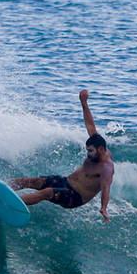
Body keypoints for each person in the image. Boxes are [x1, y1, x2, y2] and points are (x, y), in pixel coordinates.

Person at [9, 89, 114, 222]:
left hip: (75, 197)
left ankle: (11, 204)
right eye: (87, 150)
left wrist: (104, 208)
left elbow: (106, 189)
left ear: (100, 149)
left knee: (47, 192)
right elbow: (90, 125)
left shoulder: (106, 168)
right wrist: (84, 103)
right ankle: (3, 188)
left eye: (90, 151)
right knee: (32, 181)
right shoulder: (97, 144)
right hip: (66, 182)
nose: (88, 154)